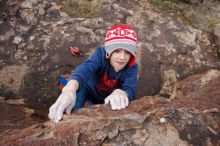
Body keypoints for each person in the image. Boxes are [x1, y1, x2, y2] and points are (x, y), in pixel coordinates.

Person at [48, 24, 138, 123]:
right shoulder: (100, 55)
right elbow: (86, 68)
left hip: (108, 98)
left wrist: (122, 92)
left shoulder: (131, 68)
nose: (122, 57)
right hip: (87, 89)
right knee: (71, 109)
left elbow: (130, 89)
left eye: (127, 52)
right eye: (117, 51)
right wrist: (70, 89)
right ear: (109, 51)